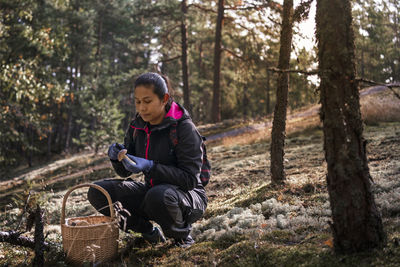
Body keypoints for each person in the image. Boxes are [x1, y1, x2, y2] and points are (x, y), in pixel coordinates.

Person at [87, 72, 207, 248]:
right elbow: (125, 172)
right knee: (98, 191)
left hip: (188, 197)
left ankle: (181, 237)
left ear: (164, 98)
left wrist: (152, 166)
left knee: (157, 195)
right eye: (137, 101)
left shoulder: (183, 128)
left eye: (147, 101)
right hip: (152, 191)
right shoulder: (138, 126)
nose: (141, 108)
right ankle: (148, 233)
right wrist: (117, 159)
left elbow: (190, 180)